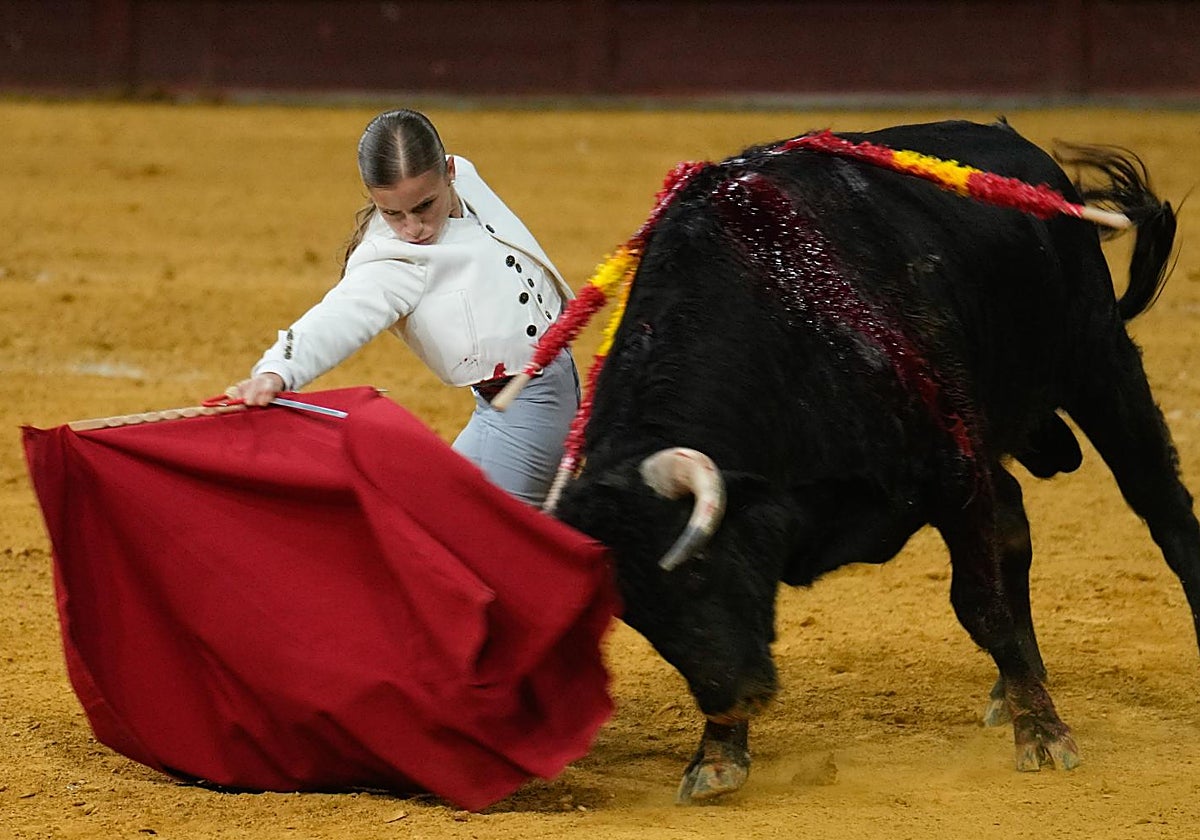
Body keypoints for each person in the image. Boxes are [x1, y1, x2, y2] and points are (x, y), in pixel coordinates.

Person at [226, 109, 579, 505]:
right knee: (476, 535)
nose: (413, 229)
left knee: (465, 529)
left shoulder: (467, 176)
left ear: (449, 172)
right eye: (392, 213)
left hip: (520, 405)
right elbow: (340, 315)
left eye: (424, 206)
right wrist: (279, 369)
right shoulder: (392, 262)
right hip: (520, 411)